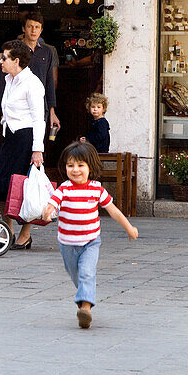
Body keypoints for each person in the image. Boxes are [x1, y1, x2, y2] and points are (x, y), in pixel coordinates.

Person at [40, 141, 138, 329]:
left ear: (90, 167)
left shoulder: (96, 189)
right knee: (76, 275)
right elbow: (51, 205)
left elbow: (114, 211)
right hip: (67, 243)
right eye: (70, 165)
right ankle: (83, 297)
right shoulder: (64, 189)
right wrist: (47, 212)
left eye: (80, 165)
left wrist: (129, 228)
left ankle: (85, 309)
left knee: (87, 273)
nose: (75, 170)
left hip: (90, 241)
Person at [0, 40, 45, 249]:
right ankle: (9, 231)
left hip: (26, 139)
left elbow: (38, 119)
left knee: (25, 187)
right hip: (10, 137)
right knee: (3, 186)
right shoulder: (9, 79)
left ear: (16, 61)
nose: (1, 61)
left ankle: (25, 234)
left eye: (4, 58)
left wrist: (37, 149)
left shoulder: (32, 83)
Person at [20, 12, 60, 138]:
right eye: (30, 26)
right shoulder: (15, 50)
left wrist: (52, 110)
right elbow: (5, 81)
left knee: (39, 142)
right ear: (23, 28)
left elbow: (49, 81)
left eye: (37, 27)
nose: (33, 30)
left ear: (41, 30)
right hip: (19, 104)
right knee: (22, 142)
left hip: (41, 105)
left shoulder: (47, 51)